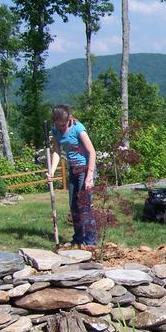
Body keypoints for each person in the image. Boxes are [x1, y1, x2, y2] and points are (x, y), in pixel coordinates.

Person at [48, 105, 97, 249]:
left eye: (63, 124)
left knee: (85, 206)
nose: (61, 127)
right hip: (73, 169)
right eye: (58, 124)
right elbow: (56, 152)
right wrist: (51, 171)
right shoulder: (56, 130)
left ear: (69, 118)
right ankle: (78, 238)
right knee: (74, 206)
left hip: (85, 168)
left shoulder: (78, 129)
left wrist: (90, 177)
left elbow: (92, 152)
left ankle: (90, 242)